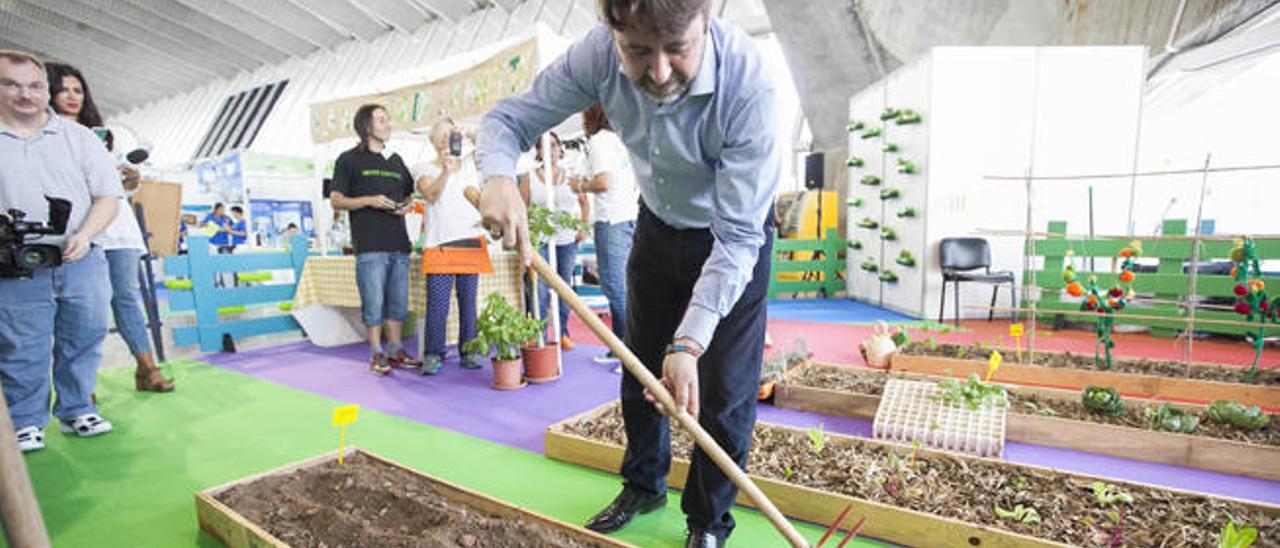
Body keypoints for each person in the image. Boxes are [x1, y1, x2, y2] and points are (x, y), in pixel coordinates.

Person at [475, 1, 779, 545]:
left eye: (677, 50)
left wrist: (688, 344)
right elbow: (507, 120)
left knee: (726, 390)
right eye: (638, 51)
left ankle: (708, 523)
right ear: (613, 33)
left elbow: (738, 239)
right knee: (639, 367)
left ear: (706, 20)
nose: (658, 73)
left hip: (733, 238)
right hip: (658, 228)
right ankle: (643, 484)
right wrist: (498, 173)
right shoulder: (596, 55)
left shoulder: (748, 84)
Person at [0, 50, 123, 452]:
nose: (25, 94)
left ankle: (77, 408)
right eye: (11, 84)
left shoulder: (80, 138)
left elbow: (108, 196)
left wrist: (85, 234)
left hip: (80, 255)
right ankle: (24, 420)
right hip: (15, 262)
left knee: (85, 334)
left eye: (34, 85)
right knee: (22, 343)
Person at [47, 62, 173, 392]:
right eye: (64, 89)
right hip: (74, 230)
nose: (73, 96)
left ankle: (146, 368)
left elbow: (117, 186)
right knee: (81, 306)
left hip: (117, 227)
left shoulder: (105, 135)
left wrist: (130, 180)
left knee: (127, 298)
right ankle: (79, 387)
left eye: (78, 90)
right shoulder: (40, 135)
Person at [328, 103, 422, 374]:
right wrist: (369, 200)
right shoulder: (348, 160)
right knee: (373, 301)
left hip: (399, 244)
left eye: (388, 119)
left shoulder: (395, 160)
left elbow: (407, 193)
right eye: (381, 120)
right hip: (369, 245)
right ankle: (376, 352)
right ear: (366, 127)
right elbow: (336, 199)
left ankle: (395, 350)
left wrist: (405, 206)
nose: (388, 124)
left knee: (398, 301)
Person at [412, 119, 492, 374]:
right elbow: (431, 195)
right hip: (440, 243)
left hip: (471, 240)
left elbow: (491, 140)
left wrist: (468, 131)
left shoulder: (470, 162)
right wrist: (445, 170)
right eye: (443, 136)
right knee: (438, 303)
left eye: (452, 135)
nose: (449, 139)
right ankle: (433, 354)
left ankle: (469, 351)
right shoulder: (422, 167)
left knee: (468, 303)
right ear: (433, 142)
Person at [571, 103, 639, 365]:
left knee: (615, 288)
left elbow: (604, 181)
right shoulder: (621, 140)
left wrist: (580, 185)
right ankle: (620, 348)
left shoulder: (599, 140)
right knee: (627, 288)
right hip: (629, 216)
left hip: (611, 219)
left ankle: (628, 355)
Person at [518, 132, 588, 350]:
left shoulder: (571, 177)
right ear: (538, 152)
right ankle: (536, 334)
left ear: (560, 149)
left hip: (566, 241)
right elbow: (522, 208)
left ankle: (563, 333)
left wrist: (582, 228)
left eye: (555, 146)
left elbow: (584, 203)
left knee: (563, 288)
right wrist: (525, 238)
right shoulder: (529, 178)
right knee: (538, 289)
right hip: (540, 241)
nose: (552, 151)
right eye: (546, 147)